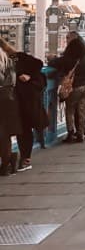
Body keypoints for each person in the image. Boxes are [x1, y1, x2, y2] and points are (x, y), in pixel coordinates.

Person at [50, 34, 85, 144]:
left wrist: (53, 58)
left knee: (70, 110)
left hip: (75, 87)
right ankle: (81, 134)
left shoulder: (68, 58)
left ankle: (71, 133)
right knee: (82, 110)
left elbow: (53, 63)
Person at [13, 45, 47, 170]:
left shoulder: (18, 57)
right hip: (14, 99)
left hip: (24, 99)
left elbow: (38, 63)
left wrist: (28, 76)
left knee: (24, 128)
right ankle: (13, 159)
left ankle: (25, 158)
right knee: (19, 129)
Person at [0, 39, 21, 176]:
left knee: (2, 134)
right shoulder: (9, 58)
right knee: (4, 134)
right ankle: (9, 161)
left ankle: (7, 163)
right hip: (9, 99)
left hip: (2, 99)